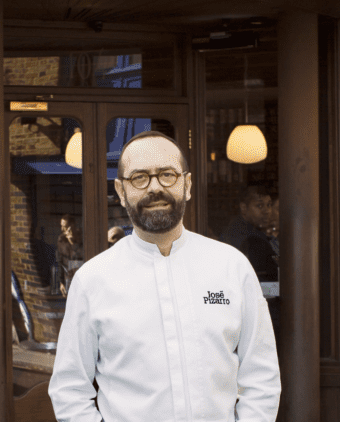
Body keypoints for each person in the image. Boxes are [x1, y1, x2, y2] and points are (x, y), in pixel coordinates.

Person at [49, 131, 280, 422]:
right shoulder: (92, 280)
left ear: (188, 185)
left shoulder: (231, 267)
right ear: (121, 191)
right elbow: (69, 389)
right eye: (139, 177)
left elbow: (261, 376)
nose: (155, 187)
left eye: (167, 175)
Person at [220, 184, 272, 252]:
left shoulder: (255, 231)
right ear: (243, 208)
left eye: (269, 205)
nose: (267, 211)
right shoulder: (244, 237)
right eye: (259, 205)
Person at [56, 214, 83, 296]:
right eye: (61, 226)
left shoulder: (82, 238)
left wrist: (72, 243)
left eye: (65, 227)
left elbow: (82, 260)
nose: (62, 229)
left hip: (80, 279)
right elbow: (60, 262)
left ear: (72, 226)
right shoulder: (61, 240)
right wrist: (61, 282)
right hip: (67, 279)